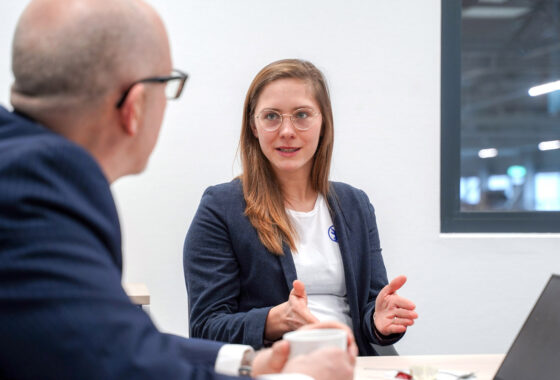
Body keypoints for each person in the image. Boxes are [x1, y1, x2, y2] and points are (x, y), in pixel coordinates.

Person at [0, 1, 356, 379]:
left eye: (302, 115)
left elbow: (123, 338)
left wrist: (251, 362)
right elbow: (119, 366)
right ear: (134, 106)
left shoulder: (25, 167)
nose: (287, 130)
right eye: (169, 85)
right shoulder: (42, 187)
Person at [184, 59, 419, 356]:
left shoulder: (355, 204)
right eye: (271, 116)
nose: (287, 130)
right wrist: (273, 321)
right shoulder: (221, 208)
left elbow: (370, 308)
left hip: (353, 366)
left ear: (324, 123)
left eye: (302, 115)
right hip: (276, 369)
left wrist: (378, 320)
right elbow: (205, 327)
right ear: (253, 126)